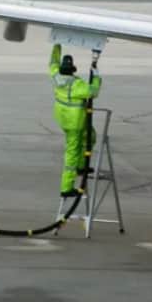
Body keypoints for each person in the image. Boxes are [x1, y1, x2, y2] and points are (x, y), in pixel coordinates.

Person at [48, 43, 102, 197]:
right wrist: (96, 77)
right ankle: (66, 187)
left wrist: (57, 45)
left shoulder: (56, 77)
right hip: (75, 122)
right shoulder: (76, 85)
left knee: (90, 136)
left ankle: (81, 165)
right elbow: (94, 91)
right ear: (73, 70)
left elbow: (52, 62)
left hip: (64, 119)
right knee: (72, 151)